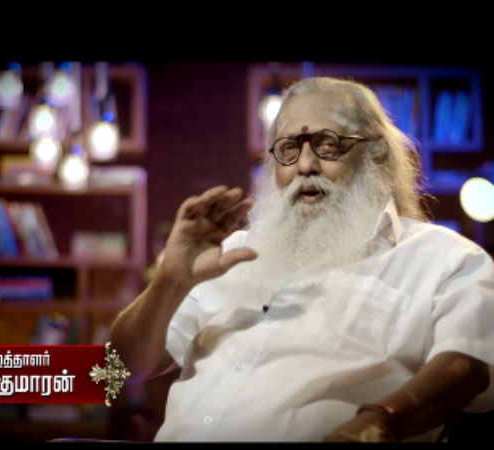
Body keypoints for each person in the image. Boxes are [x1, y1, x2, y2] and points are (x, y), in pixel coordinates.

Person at [109, 76, 494, 442]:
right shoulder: (227, 255)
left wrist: (384, 419)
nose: (305, 165)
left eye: (328, 144)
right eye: (289, 149)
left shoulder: (444, 259)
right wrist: (170, 281)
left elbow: (471, 365)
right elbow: (117, 369)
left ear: (376, 152)